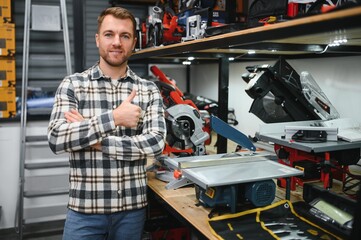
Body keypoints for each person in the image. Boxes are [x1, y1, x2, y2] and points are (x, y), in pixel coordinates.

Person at [47, 7, 166, 240]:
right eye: (109, 34)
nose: (117, 42)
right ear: (97, 39)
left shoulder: (148, 89)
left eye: (125, 36)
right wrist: (114, 119)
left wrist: (94, 139)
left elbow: (155, 144)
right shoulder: (73, 85)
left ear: (133, 43)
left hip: (132, 211)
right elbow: (57, 138)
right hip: (84, 211)